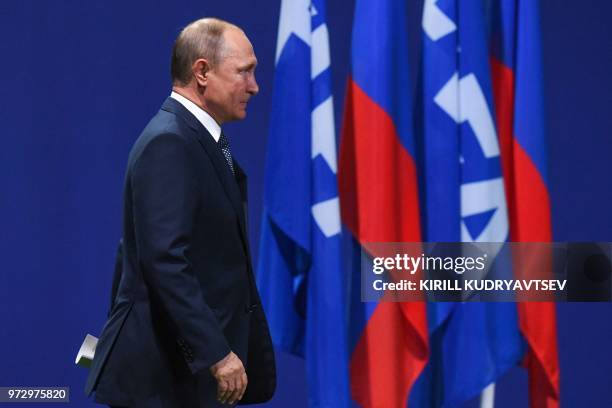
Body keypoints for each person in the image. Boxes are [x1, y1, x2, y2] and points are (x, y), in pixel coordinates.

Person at [85, 17, 276, 407]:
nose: (254, 87)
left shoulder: (198, 140)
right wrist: (216, 353)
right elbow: (164, 259)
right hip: (168, 381)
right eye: (244, 72)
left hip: (186, 379)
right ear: (202, 71)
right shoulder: (170, 143)